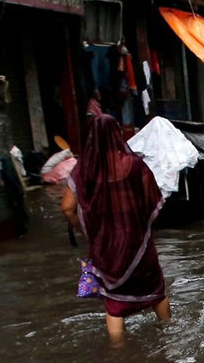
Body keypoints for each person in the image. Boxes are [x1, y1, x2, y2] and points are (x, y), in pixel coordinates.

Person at [61, 114, 171, 339]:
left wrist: (86, 230)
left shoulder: (83, 172)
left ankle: (118, 354)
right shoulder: (134, 165)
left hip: (106, 248)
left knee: (114, 302)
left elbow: (67, 208)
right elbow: (153, 201)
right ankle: (169, 334)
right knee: (156, 291)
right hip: (138, 243)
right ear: (117, 134)